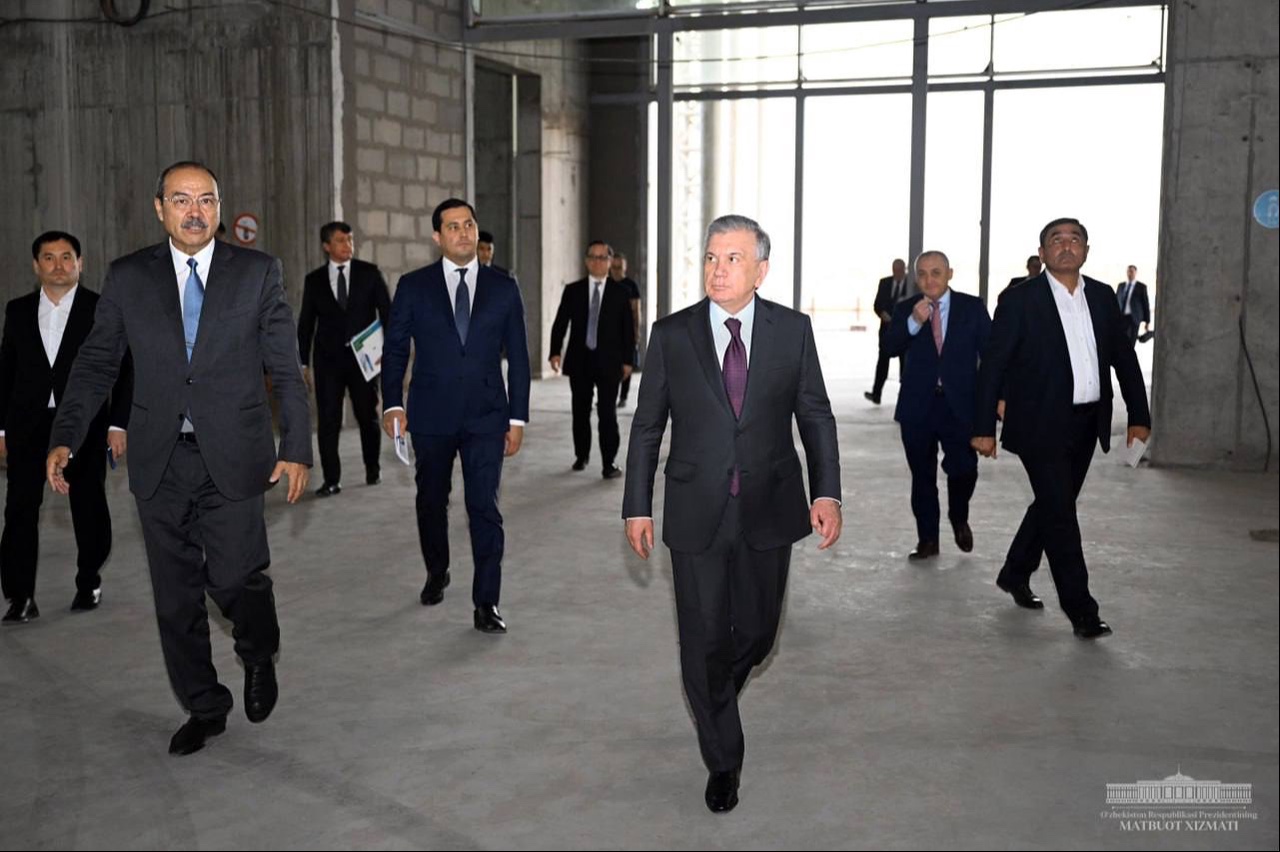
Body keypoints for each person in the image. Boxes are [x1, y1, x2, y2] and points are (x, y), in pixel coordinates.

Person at [47, 161, 312, 755]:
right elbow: (97, 362)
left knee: (235, 577)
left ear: (219, 207)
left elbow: (283, 366)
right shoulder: (129, 277)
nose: (195, 211)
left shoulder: (257, 272)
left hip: (236, 452)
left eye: (206, 200)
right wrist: (66, 435)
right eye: (181, 200)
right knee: (175, 595)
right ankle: (204, 705)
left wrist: (297, 447)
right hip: (159, 457)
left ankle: (257, 648)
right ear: (159, 208)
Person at [622, 214, 842, 813]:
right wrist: (636, 506)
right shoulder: (672, 334)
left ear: (761, 270)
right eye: (711, 258)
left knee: (760, 632)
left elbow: (815, 414)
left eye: (733, 259)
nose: (718, 270)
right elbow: (647, 426)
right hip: (696, 509)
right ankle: (724, 761)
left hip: (770, 506)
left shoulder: (792, 331)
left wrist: (827, 493)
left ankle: (714, 692)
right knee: (702, 639)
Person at [972, 217, 1150, 640]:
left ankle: (1015, 572)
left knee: (1054, 504)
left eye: (1075, 239)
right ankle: (1081, 610)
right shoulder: (1019, 300)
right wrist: (983, 426)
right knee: (1062, 516)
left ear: (1086, 250)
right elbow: (993, 365)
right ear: (1043, 252)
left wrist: (1139, 416)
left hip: (1088, 423)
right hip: (1039, 424)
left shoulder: (1102, 297)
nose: (1066, 246)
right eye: (1057, 239)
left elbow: (1124, 358)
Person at [381, 199, 531, 634]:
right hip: (431, 415)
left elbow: (519, 357)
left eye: (468, 225)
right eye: (452, 226)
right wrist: (392, 403)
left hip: (487, 416)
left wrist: (518, 418)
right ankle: (437, 569)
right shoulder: (414, 286)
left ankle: (487, 601)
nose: (463, 232)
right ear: (437, 237)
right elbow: (395, 350)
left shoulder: (503, 287)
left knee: (484, 506)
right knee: (431, 500)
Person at [1, 231, 132, 623]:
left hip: (85, 425)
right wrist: (2, 430)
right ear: (36, 265)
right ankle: (20, 596)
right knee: (19, 509)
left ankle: (88, 579)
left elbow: (125, 369)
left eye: (66, 257)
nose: (58, 265)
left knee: (88, 505)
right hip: (27, 426)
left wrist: (117, 423)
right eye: (49, 257)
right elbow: (6, 371)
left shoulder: (102, 308)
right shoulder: (18, 310)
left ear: (80, 263)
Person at [881, 250, 990, 560]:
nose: (929, 280)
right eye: (923, 274)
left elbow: (992, 355)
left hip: (960, 406)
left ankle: (958, 515)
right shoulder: (906, 309)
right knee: (922, 476)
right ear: (916, 278)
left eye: (936, 273)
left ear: (949, 274)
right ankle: (928, 539)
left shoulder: (972, 307)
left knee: (965, 469)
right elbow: (889, 347)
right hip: (918, 407)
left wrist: (997, 399)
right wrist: (914, 322)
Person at [297, 221, 391, 495]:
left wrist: (390, 352)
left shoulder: (369, 273)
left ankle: (372, 468)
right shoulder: (314, 280)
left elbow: (389, 314)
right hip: (328, 362)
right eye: (341, 241)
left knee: (367, 416)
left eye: (350, 240)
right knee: (328, 421)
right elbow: (306, 324)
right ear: (326, 246)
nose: (348, 245)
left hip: (365, 360)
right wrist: (303, 363)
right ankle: (331, 480)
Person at [549, 241, 635, 478]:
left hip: (610, 362)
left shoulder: (621, 293)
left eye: (602, 257)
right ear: (586, 261)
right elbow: (560, 323)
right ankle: (581, 455)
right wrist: (555, 351)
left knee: (607, 413)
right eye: (593, 257)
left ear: (610, 262)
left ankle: (609, 462)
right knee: (580, 411)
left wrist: (628, 361)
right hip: (580, 360)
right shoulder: (573, 290)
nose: (598, 262)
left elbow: (628, 330)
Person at [865, 258, 911, 405]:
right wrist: (882, 313)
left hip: (905, 332)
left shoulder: (911, 285)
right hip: (887, 331)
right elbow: (877, 304)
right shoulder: (884, 283)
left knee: (905, 365)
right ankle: (876, 394)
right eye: (894, 271)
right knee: (882, 363)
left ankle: (904, 397)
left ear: (904, 270)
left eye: (899, 271)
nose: (897, 274)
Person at [609, 251, 642, 408]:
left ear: (625, 268)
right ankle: (608, 395)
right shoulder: (606, 284)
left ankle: (623, 396)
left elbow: (636, 310)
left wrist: (636, 332)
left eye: (619, 267)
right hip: (610, 332)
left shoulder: (631, 286)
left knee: (626, 364)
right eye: (614, 267)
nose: (616, 270)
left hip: (626, 331)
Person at [1115, 265, 1151, 346]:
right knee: (1121, 340)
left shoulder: (1141, 287)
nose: (1129, 273)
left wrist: (1147, 321)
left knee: (1132, 341)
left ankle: (1129, 353)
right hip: (1122, 317)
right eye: (1128, 271)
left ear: (1135, 273)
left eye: (1131, 271)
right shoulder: (1121, 286)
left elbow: (1145, 304)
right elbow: (1116, 301)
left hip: (1134, 318)